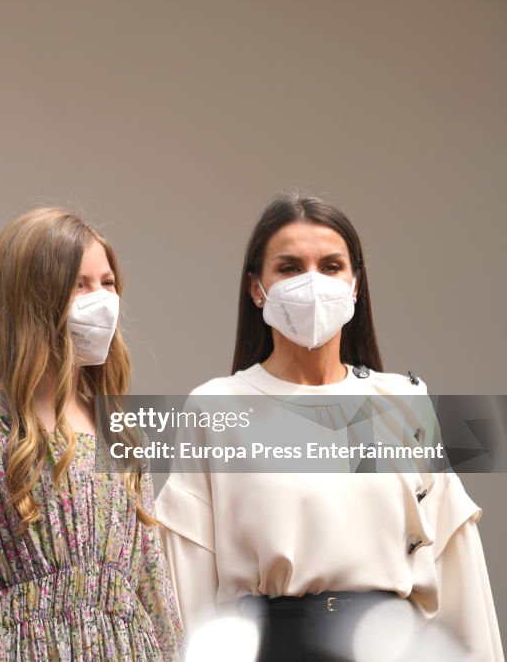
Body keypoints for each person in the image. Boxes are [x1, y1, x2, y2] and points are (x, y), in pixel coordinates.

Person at [155, 192, 504, 661]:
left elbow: (459, 572)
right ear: (257, 288)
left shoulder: (405, 403)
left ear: (356, 284)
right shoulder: (214, 408)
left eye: (332, 266)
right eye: (290, 267)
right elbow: (188, 589)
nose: (312, 283)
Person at [0, 207, 184, 661]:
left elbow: (155, 589)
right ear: (30, 299)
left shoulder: (119, 433)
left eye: (107, 283)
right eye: (79, 285)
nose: (100, 299)